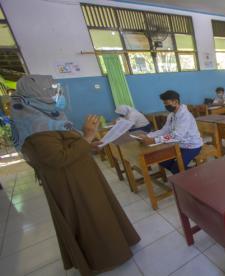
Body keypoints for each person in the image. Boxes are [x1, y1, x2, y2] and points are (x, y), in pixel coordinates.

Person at [10, 75, 140, 276]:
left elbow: (66, 144)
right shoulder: (35, 124)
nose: (55, 94)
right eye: (49, 90)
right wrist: (87, 136)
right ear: (36, 94)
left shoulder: (48, 116)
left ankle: (117, 244)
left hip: (80, 174)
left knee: (99, 212)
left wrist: (88, 143)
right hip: (70, 183)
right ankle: (105, 258)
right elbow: (57, 158)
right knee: (89, 218)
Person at [138, 90, 203, 174]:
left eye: (167, 103)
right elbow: (164, 130)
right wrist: (147, 136)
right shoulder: (171, 115)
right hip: (178, 144)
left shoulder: (185, 115)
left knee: (176, 168)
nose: (165, 106)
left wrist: (155, 140)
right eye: (164, 104)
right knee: (161, 160)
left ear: (175, 102)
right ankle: (184, 171)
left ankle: (189, 174)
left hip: (192, 146)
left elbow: (177, 136)